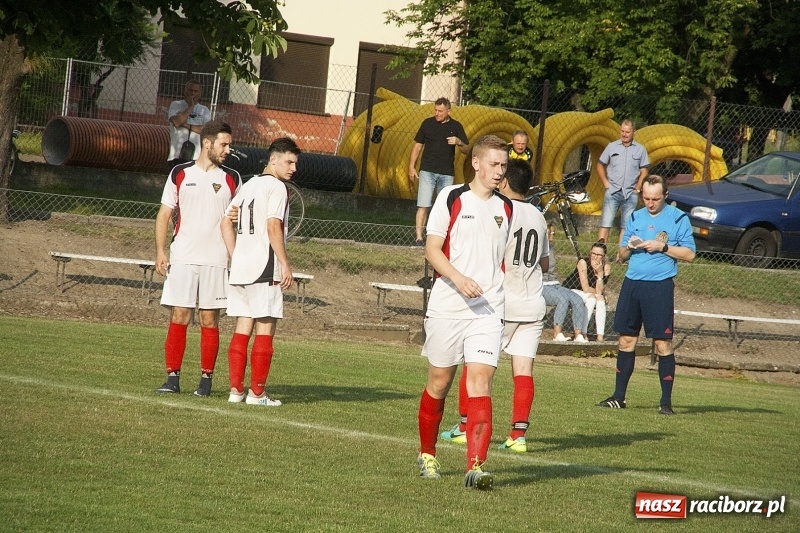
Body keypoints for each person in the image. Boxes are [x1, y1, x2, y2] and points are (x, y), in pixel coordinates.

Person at [416, 135, 511, 490]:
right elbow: (432, 249)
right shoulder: (451, 197)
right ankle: (427, 453)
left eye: (504, 166)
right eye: (493, 164)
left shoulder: (507, 208)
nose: (499, 172)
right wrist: (458, 278)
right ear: (475, 163)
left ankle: (476, 466)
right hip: (448, 305)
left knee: (481, 381)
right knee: (440, 382)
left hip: (488, 309)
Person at [154, 120, 241, 396]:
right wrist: (160, 251)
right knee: (179, 315)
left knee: (209, 319)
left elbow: (238, 218)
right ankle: (172, 378)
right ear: (207, 143)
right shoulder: (180, 173)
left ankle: (205, 382)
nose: (228, 149)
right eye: (224, 144)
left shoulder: (232, 178)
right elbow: (165, 214)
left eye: (229, 144)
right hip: (183, 257)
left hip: (216, 259)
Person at [596, 174, 695, 415]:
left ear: (666, 196)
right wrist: (627, 248)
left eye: (655, 199)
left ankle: (666, 403)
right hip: (633, 284)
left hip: (659, 286)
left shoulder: (678, 218)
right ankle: (619, 397)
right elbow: (620, 255)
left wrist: (664, 247)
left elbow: (690, 254)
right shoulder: (635, 216)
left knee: (662, 343)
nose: (650, 203)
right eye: (647, 198)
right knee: (626, 340)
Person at [220, 138, 300, 407]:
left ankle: (235, 391)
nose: (293, 168)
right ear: (273, 159)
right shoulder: (277, 187)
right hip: (265, 268)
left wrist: (236, 255)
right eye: (289, 162)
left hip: (242, 268)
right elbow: (273, 226)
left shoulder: (249, 184)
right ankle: (257, 394)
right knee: (265, 328)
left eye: (295, 163)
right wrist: (285, 263)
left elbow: (224, 223)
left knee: (243, 327)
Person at [408, 97, 470, 246]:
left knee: (444, 207)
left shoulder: (456, 127)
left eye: (440, 111)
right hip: (427, 170)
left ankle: (441, 238)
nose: (437, 113)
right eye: (436, 110)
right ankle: (419, 238)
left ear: (449, 111)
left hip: (446, 173)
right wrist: (411, 166)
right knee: (423, 204)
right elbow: (417, 146)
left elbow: (467, 150)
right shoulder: (427, 124)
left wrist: (459, 142)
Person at [596, 119, 649, 256]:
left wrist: (638, 187)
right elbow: (600, 165)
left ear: (633, 132)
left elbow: (644, 170)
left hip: (630, 193)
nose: (624, 134)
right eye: (622, 131)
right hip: (612, 191)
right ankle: (600, 254)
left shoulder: (640, 149)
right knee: (605, 224)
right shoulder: (611, 147)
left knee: (626, 227)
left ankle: (621, 256)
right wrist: (606, 183)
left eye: (627, 132)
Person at [542, 222, 589, 343]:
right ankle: (557, 334)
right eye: (549, 233)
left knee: (578, 299)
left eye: (553, 233)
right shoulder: (537, 248)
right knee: (562, 299)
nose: (552, 236)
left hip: (554, 283)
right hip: (541, 285)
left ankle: (578, 335)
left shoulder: (551, 248)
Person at [563, 242, 612, 342]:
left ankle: (600, 335)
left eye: (599, 255)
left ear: (604, 256)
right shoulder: (583, 262)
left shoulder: (606, 267)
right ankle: (583, 333)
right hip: (574, 289)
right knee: (593, 298)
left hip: (591, 293)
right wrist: (600, 292)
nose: (595, 257)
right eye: (593, 253)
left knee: (600, 299)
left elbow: (601, 289)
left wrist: (600, 274)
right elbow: (585, 287)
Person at [167, 80, 211, 170]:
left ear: (200, 93)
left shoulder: (204, 109)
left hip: (196, 156)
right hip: (177, 155)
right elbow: (176, 122)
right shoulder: (176, 104)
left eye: (196, 91)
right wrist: (190, 106)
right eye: (190, 90)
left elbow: (206, 130)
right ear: (185, 91)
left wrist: (186, 125)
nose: (192, 93)